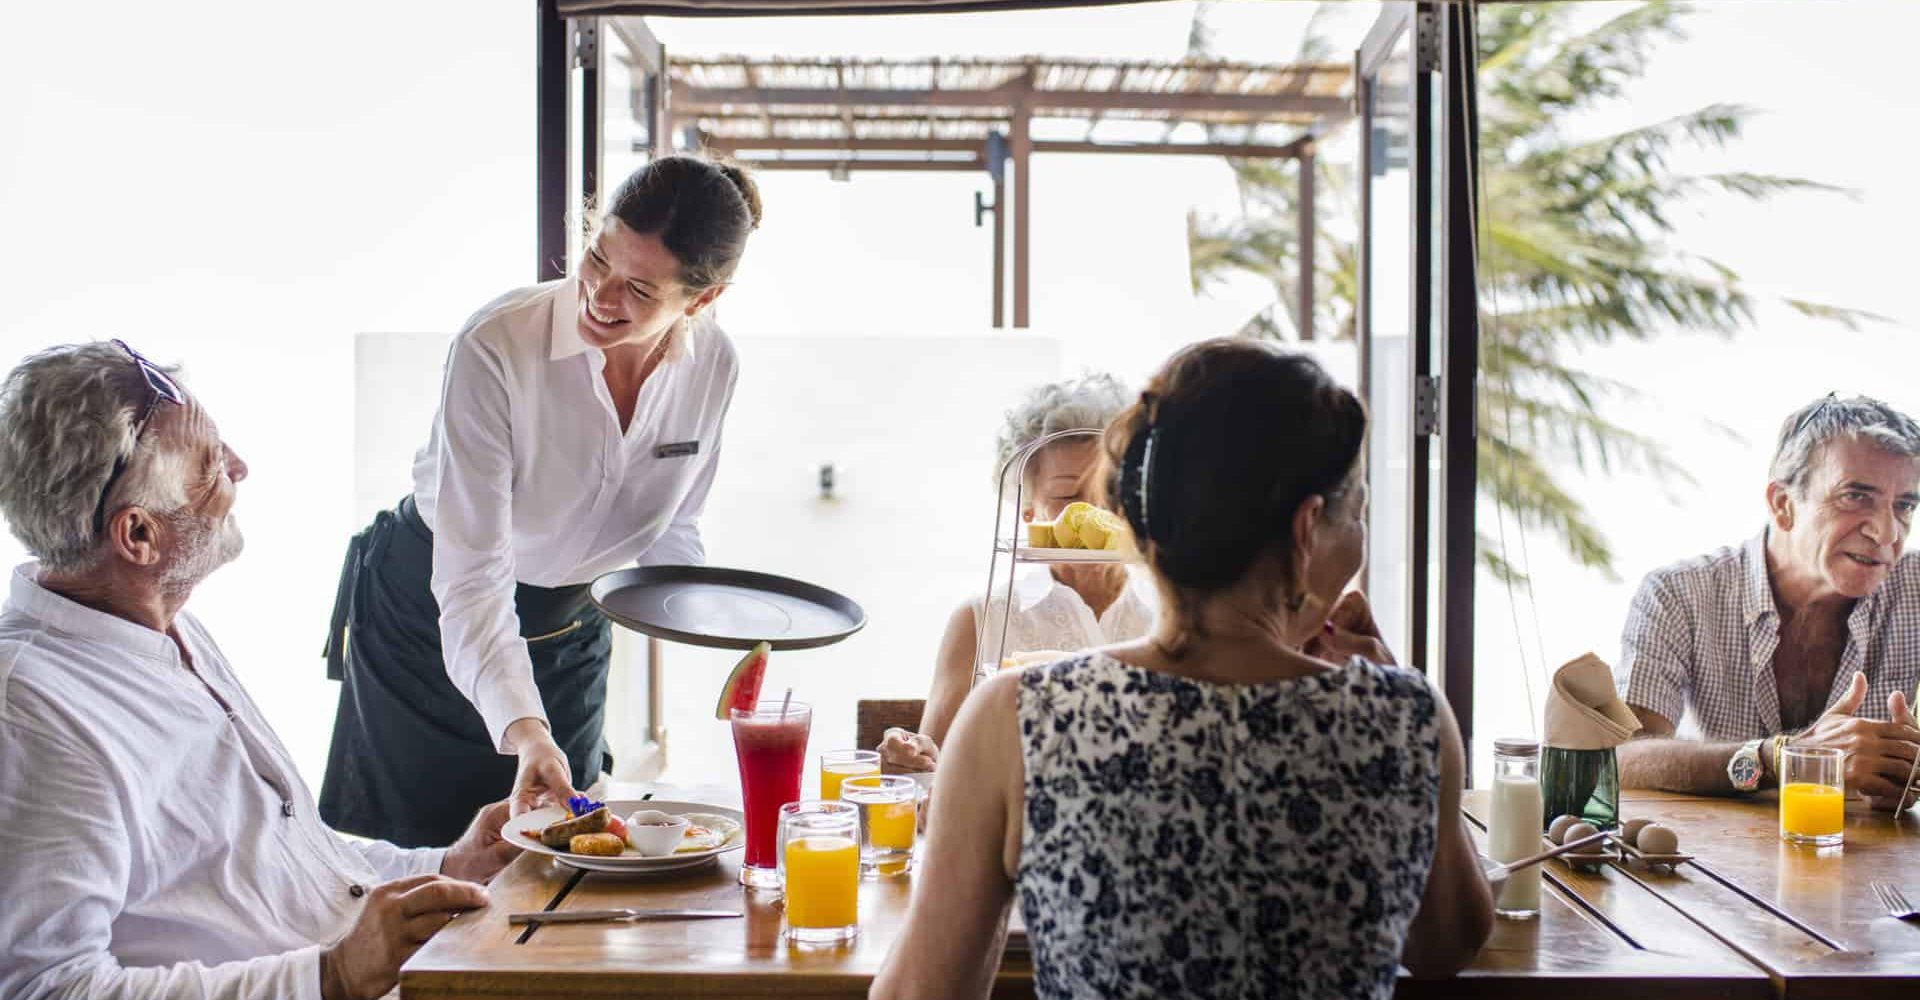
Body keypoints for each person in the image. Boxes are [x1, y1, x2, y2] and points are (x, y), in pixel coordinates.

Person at [871, 340, 1491, 1000]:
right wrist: (1408, 725)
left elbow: (920, 994)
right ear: (1309, 528)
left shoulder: (1016, 716)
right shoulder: (1402, 718)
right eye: (1357, 512)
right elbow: (1444, 948)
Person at [0, 342, 520, 1000]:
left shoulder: (166, 627)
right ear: (139, 536)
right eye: (211, 465)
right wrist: (329, 975)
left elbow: (279, 864)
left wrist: (451, 862)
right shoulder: (32, 714)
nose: (241, 468)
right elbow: (46, 988)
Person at [319, 154, 763, 846]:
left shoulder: (714, 366)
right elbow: (472, 579)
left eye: (641, 291)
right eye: (596, 260)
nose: (601, 297)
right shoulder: (497, 346)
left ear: (701, 301)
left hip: (572, 631)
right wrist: (525, 729)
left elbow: (674, 526)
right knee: (420, 866)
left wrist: (728, 623)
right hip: (430, 623)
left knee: (571, 851)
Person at [1616, 393, 1920, 811]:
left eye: (1904, 505)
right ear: (1783, 505)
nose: (1888, 533)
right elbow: (1624, 757)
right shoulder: (1679, 593)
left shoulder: (1915, 588)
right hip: (1710, 865)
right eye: (1855, 496)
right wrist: (1781, 758)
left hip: (1873, 866)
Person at [878, 375, 1154, 773]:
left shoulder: (1170, 614)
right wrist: (909, 756)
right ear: (1028, 509)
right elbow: (934, 768)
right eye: (1068, 497)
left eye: (1108, 491)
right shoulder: (982, 620)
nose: (1096, 512)